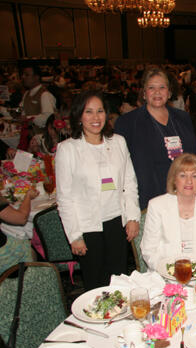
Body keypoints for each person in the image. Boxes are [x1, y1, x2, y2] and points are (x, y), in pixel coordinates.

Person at [56, 90, 140, 290]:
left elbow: (129, 182)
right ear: (79, 117)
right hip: (87, 226)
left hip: (117, 222)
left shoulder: (118, 142)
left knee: (119, 281)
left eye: (100, 111)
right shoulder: (68, 149)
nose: (96, 118)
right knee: (96, 285)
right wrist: (74, 235)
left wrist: (133, 217)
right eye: (89, 112)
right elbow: (64, 198)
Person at [115, 67, 196, 210]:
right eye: (151, 87)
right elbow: (120, 167)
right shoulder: (127, 123)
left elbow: (193, 157)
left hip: (182, 196)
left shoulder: (183, 118)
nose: (157, 92)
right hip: (148, 199)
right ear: (144, 93)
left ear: (169, 92)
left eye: (162, 87)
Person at [140, 153, 196, 271]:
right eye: (183, 175)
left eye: (194, 176)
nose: (189, 181)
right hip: (164, 274)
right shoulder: (157, 206)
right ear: (174, 180)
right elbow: (149, 250)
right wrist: (170, 271)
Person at [0, 188, 39, 275]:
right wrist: (28, 196)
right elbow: (21, 218)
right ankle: (33, 280)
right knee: (31, 244)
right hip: (4, 257)